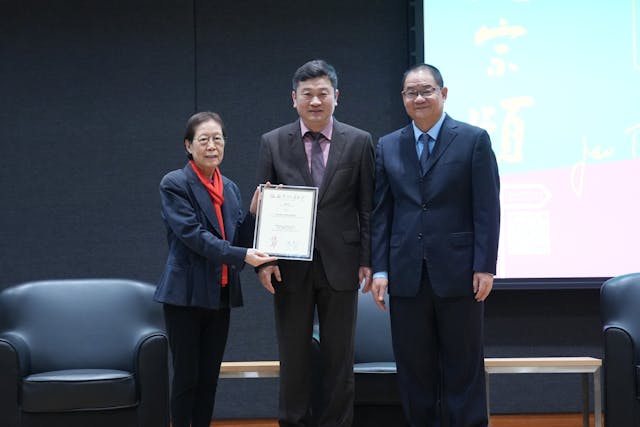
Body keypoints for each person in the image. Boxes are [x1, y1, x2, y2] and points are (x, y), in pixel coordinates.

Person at [366, 64, 500, 426]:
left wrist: (485, 265)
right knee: (414, 371)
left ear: (444, 93)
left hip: (461, 275)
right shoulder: (388, 145)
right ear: (403, 99)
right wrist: (380, 268)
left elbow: (487, 208)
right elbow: (382, 213)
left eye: (426, 90)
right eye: (411, 92)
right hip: (407, 274)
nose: (419, 97)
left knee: (463, 368)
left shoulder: (473, 139)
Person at [255, 59, 374, 427]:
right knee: (294, 357)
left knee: (340, 359)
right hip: (290, 267)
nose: (316, 101)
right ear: (294, 99)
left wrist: (367, 259)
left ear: (336, 97)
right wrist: (263, 261)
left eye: (323, 93)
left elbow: (368, 209)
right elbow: (263, 205)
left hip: (342, 263)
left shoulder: (359, 141)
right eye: (307, 94)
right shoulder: (273, 142)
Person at [154, 111, 277, 427]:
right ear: (188, 145)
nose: (212, 146)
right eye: (204, 139)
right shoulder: (175, 183)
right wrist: (243, 255)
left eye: (218, 139)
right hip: (185, 295)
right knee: (187, 377)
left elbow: (236, 237)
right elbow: (195, 237)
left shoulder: (231, 188)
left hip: (219, 293)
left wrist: (252, 214)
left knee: (209, 377)